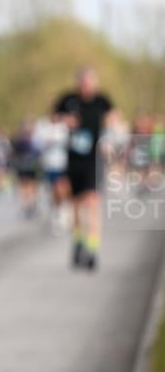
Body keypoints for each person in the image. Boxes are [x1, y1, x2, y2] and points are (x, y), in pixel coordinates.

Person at [53, 67, 117, 271]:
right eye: (82, 81)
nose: (86, 85)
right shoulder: (68, 99)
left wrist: (110, 134)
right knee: (76, 205)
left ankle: (92, 250)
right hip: (73, 160)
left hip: (94, 159)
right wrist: (64, 120)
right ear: (78, 82)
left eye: (90, 81)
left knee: (92, 203)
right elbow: (52, 117)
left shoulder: (102, 100)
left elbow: (115, 118)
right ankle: (78, 242)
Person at [33, 110, 71, 232]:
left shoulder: (65, 128)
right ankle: (57, 211)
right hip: (49, 164)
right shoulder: (43, 127)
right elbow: (36, 144)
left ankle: (64, 210)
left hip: (64, 164)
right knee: (53, 191)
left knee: (61, 189)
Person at [10, 119, 40, 219]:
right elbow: (13, 152)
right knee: (23, 186)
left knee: (31, 185)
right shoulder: (18, 140)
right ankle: (25, 205)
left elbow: (39, 152)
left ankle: (31, 203)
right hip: (22, 165)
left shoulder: (36, 139)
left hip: (32, 166)